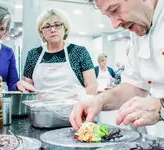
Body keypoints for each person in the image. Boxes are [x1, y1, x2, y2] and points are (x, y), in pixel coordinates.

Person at [70, 0, 164, 133]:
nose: (114, 25)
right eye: (109, 16)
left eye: (114, 10)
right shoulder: (137, 30)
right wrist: (98, 101)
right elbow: (134, 86)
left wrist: (160, 106)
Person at [23, 9, 97, 100]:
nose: (53, 30)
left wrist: (73, 100)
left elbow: (92, 86)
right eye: (47, 26)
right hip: (41, 110)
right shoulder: (33, 54)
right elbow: (27, 88)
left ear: (65, 27)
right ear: (41, 31)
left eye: (57, 25)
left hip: (75, 110)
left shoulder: (79, 52)